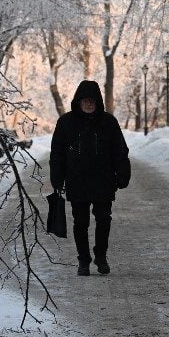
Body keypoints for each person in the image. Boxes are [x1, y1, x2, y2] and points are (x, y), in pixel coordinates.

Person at [49, 80, 131, 276]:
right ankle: (83, 260)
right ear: (78, 101)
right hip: (77, 181)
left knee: (104, 220)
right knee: (80, 222)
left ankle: (101, 257)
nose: (88, 104)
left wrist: (123, 173)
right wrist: (57, 178)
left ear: (98, 102)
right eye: (85, 100)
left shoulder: (108, 122)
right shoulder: (66, 122)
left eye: (92, 101)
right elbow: (57, 153)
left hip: (103, 180)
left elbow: (120, 150)